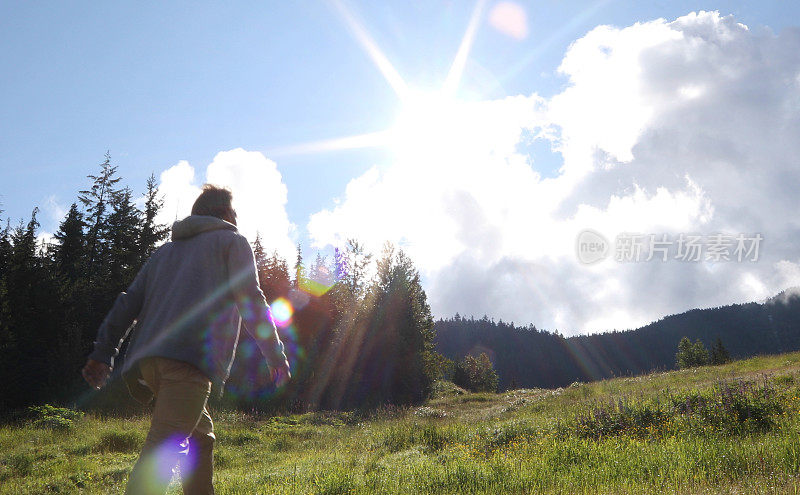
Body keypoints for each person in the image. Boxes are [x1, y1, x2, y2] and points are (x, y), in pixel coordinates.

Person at [81, 184, 291, 494]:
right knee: (164, 448)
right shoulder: (232, 241)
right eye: (234, 211)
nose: (237, 217)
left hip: (149, 364)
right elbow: (252, 301)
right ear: (222, 213)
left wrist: (103, 352)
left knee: (200, 441)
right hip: (189, 364)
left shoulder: (164, 252)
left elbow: (129, 303)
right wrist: (275, 357)